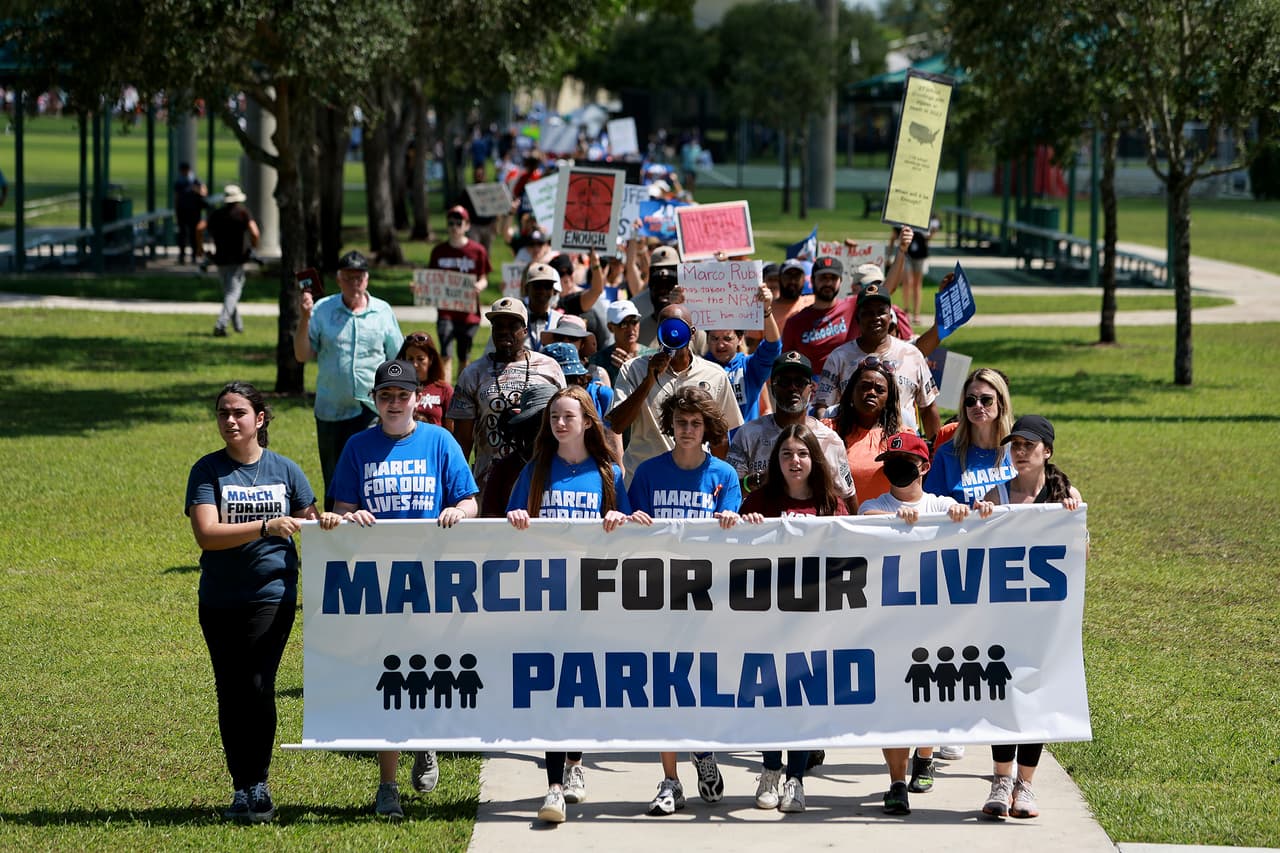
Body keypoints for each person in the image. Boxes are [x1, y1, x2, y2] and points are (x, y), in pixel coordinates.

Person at [320, 359, 479, 820]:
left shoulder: (440, 441)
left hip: (432, 581)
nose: (394, 404)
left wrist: (460, 513)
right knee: (388, 678)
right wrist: (349, 518)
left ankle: (425, 740)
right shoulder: (357, 446)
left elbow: (470, 499)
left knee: (428, 669)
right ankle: (386, 784)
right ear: (375, 399)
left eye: (402, 396)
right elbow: (341, 510)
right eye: (386, 396)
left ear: (416, 399)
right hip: (377, 582)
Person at [185, 381, 320, 824]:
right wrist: (264, 525)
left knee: (259, 684)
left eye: (239, 412)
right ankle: (240, 787)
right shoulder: (207, 472)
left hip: (272, 593)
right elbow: (207, 534)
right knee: (231, 689)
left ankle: (259, 783)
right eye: (223, 412)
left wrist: (332, 520)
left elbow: (311, 522)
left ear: (259, 419)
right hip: (221, 597)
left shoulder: (286, 470)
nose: (229, 420)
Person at [505, 386, 632, 824]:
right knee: (552, 691)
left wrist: (619, 518)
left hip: (594, 598)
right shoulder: (537, 469)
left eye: (568, 417)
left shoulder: (606, 473)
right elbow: (511, 521)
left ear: (586, 422)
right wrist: (517, 518)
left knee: (580, 686)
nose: (560, 423)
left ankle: (577, 764)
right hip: (545, 597)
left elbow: (632, 529)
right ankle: (554, 786)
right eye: (554, 417)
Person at [859, 432, 992, 815]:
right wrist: (895, 520)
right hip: (889, 621)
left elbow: (972, 528)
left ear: (925, 467)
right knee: (892, 702)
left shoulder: (940, 504)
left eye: (906, 463)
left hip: (935, 621)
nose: (897, 470)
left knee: (931, 690)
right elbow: (862, 520)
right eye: (891, 464)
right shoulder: (875, 505)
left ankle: (925, 755)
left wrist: (968, 516)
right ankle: (896, 781)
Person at [625, 387, 740, 816]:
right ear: (669, 426)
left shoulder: (723, 475)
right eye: (680, 423)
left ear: (707, 428)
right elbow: (632, 533)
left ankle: (704, 751)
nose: (687, 430)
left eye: (695, 423)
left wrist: (730, 520)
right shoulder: (650, 473)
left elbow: (734, 535)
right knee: (665, 689)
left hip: (709, 600)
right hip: (660, 598)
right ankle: (670, 780)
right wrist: (635, 523)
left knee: (704, 685)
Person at [734, 423, 850, 812]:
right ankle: (769, 770)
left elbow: (851, 553)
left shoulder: (831, 504)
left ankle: (796, 779)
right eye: (787, 454)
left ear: (814, 459)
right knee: (769, 696)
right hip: (767, 618)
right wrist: (745, 531)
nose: (794, 461)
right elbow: (732, 552)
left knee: (803, 699)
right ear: (776, 460)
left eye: (801, 454)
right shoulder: (758, 502)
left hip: (813, 619)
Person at [980, 414, 1083, 821]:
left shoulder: (1065, 496)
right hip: (1003, 616)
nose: (1020, 452)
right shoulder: (997, 494)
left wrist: (1073, 524)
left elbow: (1081, 558)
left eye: (1028, 445)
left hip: (1044, 619)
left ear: (1047, 452)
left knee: (1036, 697)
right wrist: (978, 518)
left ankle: (1026, 785)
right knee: (1003, 696)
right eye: (1015, 445)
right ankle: (1000, 781)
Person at [294, 249, 404, 510]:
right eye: (348, 277)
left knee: (373, 474)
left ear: (367, 280)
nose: (354, 283)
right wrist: (304, 318)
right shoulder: (322, 310)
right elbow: (302, 355)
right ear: (338, 279)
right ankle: (336, 534)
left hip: (372, 408)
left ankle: (371, 529)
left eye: (359, 277)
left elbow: (398, 359)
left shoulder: (382, 311)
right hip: (331, 409)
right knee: (335, 478)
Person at [609, 303, 743, 477]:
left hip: (693, 481)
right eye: (666, 329)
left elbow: (720, 437)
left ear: (692, 333)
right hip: (643, 480)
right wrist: (649, 379)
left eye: (679, 328)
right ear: (658, 333)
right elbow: (618, 425)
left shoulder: (715, 375)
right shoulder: (633, 369)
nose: (673, 335)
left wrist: (718, 478)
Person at [447, 297, 566, 493]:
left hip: (542, 477)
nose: (504, 331)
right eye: (498, 326)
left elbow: (563, 418)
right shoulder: (473, 373)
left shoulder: (550, 367)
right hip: (488, 481)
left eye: (513, 325)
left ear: (525, 331)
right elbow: (462, 440)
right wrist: (458, 488)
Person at [815, 283, 941, 442]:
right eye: (867, 313)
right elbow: (822, 408)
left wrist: (935, 452)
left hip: (903, 448)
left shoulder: (912, 355)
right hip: (852, 446)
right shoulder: (839, 358)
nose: (875, 318)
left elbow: (928, 407)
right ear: (857, 318)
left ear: (890, 316)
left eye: (881, 312)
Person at [727, 350, 855, 501]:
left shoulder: (830, 439)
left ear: (812, 388)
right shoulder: (748, 434)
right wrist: (757, 481)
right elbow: (729, 489)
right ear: (773, 388)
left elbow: (847, 497)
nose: (792, 388)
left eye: (800, 382)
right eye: (784, 382)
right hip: (761, 521)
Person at [925, 368, 1017, 505]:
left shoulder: (1019, 450)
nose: (978, 406)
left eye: (986, 400)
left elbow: (1038, 495)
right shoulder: (947, 454)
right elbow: (931, 506)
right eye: (970, 400)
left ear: (1001, 402)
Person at [827, 355, 903, 503]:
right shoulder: (828, 431)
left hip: (884, 522)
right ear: (851, 393)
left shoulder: (902, 436)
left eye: (880, 390)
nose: (872, 393)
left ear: (889, 399)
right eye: (865, 387)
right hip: (838, 521)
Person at [704, 282, 782, 424]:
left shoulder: (750, 367)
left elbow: (773, 346)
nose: (720, 344)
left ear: (740, 339)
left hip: (745, 444)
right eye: (714, 338)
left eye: (727, 338)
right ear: (707, 339)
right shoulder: (698, 367)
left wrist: (766, 311)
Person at [430, 205, 492, 378]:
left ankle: (462, 390)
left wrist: (480, 285)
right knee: (445, 352)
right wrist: (420, 288)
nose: (454, 227)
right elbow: (431, 279)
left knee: (464, 354)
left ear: (467, 225)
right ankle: (445, 391)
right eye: (451, 223)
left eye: (459, 222)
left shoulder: (477, 251)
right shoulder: (439, 251)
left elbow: (484, 278)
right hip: (446, 311)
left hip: (468, 313)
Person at [197, 184, 259, 337]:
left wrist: (200, 248)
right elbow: (255, 232)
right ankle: (220, 325)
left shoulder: (217, 214)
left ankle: (238, 326)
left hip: (220, 259)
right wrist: (253, 247)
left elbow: (199, 228)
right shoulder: (243, 213)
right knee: (233, 293)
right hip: (237, 259)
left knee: (228, 293)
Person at [780, 255, 857, 377]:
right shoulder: (795, 323)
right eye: (823, 278)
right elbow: (786, 365)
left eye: (833, 278)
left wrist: (899, 253)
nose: (828, 283)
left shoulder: (853, 307)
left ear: (840, 281)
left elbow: (885, 290)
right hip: (813, 392)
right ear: (812, 281)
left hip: (848, 388)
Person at [395, 330, 453, 429]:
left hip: (434, 443)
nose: (415, 364)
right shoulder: (396, 388)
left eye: (420, 359)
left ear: (430, 360)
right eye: (410, 359)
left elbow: (451, 431)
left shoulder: (445, 390)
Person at [592, 299, 650, 386]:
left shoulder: (652, 357)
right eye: (623, 324)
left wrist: (633, 369)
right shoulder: (597, 361)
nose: (630, 329)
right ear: (610, 327)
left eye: (634, 322)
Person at [175, 166, 208, 265]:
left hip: (194, 212)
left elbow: (204, 192)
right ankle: (182, 256)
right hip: (182, 212)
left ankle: (194, 255)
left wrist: (195, 189)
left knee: (194, 234)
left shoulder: (196, 181)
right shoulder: (179, 183)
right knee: (183, 234)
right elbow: (176, 198)